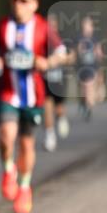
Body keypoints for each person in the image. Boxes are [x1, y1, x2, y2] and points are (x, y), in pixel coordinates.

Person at [0, 0, 67, 213]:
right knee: (6, 137)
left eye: (24, 0)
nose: (18, 4)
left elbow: (62, 54)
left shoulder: (43, 27)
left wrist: (47, 63)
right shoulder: (2, 26)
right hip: (7, 92)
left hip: (33, 96)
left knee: (26, 144)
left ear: (34, 4)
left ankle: (24, 186)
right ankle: (9, 169)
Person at [42, 12, 70, 152]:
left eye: (53, 24)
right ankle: (49, 135)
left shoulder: (62, 39)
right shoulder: (41, 39)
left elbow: (70, 57)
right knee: (47, 106)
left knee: (58, 108)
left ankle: (61, 117)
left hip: (59, 77)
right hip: (45, 78)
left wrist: (59, 59)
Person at [76, 15, 103, 120]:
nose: (87, 27)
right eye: (85, 25)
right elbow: (77, 53)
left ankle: (88, 107)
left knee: (89, 86)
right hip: (82, 67)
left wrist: (100, 69)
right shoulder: (79, 38)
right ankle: (84, 103)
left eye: (89, 25)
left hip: (92, 67)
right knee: (83, 89)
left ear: (92, 27)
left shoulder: (95, 39)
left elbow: (99, 54)